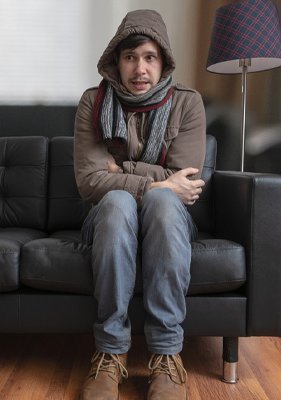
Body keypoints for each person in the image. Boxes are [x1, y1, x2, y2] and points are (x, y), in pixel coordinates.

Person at [73, 9, 206, 400]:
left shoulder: (187, 103)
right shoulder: (91, 102)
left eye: (149, 57)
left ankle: (167, 356)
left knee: (163, 206)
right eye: (130, 57)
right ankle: (110, 353)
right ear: (117, 61)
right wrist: (158, 181)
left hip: (169, 221)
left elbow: (186, 182)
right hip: (106, 218)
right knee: (116, 203)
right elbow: (91, 182)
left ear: (163, 61)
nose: (139, 68)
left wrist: (123, 167)